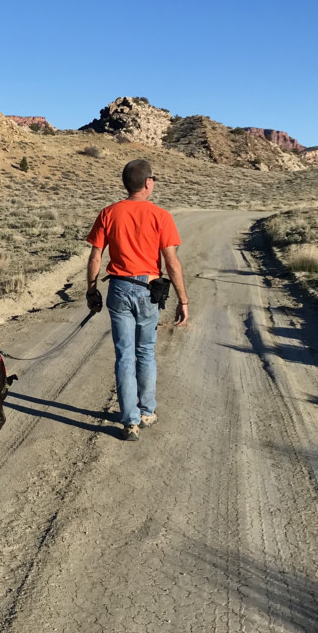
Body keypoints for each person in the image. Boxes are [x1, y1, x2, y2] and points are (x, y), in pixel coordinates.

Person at [85, 158, 188, 441]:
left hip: (118, 288)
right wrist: (183, 300)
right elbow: (172, 262)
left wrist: (92, 289)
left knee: (124, 355)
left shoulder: (108, 213)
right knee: (145, 352)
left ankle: (129, 421)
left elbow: (96, 256)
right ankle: (146, 412)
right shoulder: (161, 216)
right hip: (147, 290)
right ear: (148, 183)